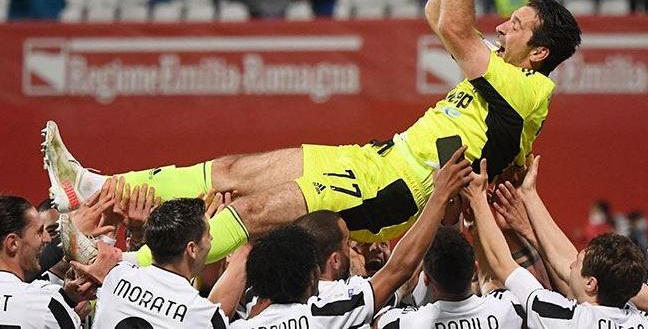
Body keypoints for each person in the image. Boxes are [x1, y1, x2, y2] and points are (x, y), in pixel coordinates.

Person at [44, 0, 582, 268]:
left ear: (539, 53)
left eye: (517, 25)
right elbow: (437, 13)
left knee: (251, 212)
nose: (503, 27)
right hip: (374, 159)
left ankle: (120, 266)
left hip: (398, 189)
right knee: (233, 170)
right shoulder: (500, 73)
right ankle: (91, 187)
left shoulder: (529, 91)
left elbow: (457, 28)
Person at [230, 149, 472, 328]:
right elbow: (401, 268)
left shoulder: (246, 309)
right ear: (313, 273)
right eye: (349, 243)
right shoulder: (329, 314)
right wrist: (440, 196)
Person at [463, 157, 648, 328]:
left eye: (576, 263)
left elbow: (503, 264)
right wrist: (529, 195)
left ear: (591, 284)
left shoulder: (564, 319)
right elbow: (564, 262)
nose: (571, 265)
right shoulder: (639, 318)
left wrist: (477, 200)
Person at [75, 198, 248, 328]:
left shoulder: (113, 275)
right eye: (208, 234)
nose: (211, 239)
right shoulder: (206, 316)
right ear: (192, 249)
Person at [375, 226, 525, 328]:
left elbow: (374, 316)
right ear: (475, 270)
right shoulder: (509, 309)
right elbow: (491, 284)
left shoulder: (408, 323)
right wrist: (474, 227)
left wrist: (401, 290)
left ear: (426, 279)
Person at [0, 195, 89, 328]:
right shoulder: (46, 306)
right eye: (39, 232)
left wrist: (67, 299)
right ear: (13, 243)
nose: (47, 239)